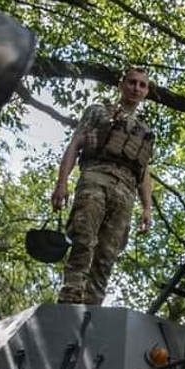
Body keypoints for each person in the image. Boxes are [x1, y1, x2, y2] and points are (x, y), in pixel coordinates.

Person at [52, 66, 154, 305]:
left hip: (126, 192)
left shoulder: (145, 130)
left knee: (108, 255)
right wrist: (62, 183)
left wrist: (147, 207)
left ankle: (91, 308)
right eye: (131, 82)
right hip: (96, 178)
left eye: (142, 84)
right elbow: (76, 143)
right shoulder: (98, 111)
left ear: (146, 91)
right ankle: (70, 299)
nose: (136, 88)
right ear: (122, 84)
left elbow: (145, 171)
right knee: (83, 239)